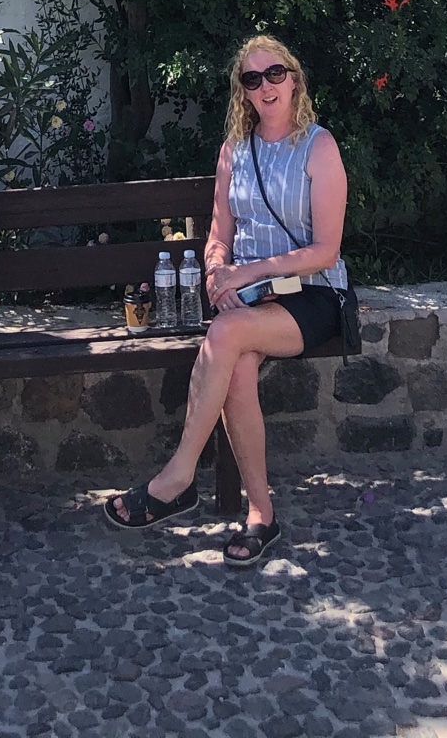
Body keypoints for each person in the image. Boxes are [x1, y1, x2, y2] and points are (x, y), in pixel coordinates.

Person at [104, 34, 348, 568]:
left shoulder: (319, 146)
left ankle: (178, 478)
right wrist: (217, 273)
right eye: (252, 78)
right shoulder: (234, 151)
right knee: (236, 368)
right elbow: (219, 234)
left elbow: (325, 250)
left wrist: (250, 271)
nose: (265, 86)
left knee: (225, 334)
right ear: (243, 91)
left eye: (275, 73)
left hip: (311, 293)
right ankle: (261, 514)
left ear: (294, 80)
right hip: (250, 297)